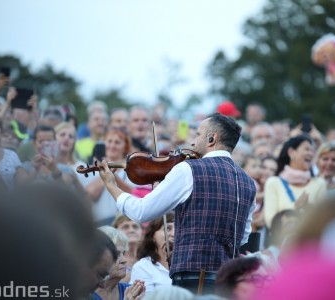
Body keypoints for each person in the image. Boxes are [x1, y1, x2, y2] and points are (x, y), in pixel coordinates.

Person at [98, 113, 256, 294]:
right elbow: (242, 237)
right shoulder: (248, 182)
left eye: (197, 135)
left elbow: (141, 212)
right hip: (228, 280)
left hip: (192, 277)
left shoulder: (188, 169)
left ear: (212, 138)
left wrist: (111, 186)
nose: (193, 142)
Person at [263, 135, 326, 228]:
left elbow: (323, 221)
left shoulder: (319, 183)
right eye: (307, 149)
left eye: (313, 150)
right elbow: (270, 221)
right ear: (292, 152)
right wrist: (295, 207)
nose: (311, 154)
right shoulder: (273, 182)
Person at [82, 127, 134, 226]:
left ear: (125, 146)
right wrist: (105, 169)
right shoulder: (95, 169)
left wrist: (112, 174)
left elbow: (133, 193)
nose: (112, 145)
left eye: (117, 142)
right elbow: (89, 195)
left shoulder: (130, 169)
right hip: (100, 223)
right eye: (109, 141)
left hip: (123, 223)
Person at [130, 213, 175, 293]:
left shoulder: (189, 264)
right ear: (153, 236)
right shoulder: (143, 267)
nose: (174, 234)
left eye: (178, 229)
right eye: (167, 229)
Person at [93, 226, 133, 300]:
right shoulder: (82, 294)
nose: (124, 260)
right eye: (116, 255)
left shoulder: (130, 291)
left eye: (123, 253)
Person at [112, 214, 144, 283]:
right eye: (125, 227)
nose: (131, 230)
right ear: (115, 232)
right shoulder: (112, 260)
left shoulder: (150, 257)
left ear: (142, 232)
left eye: (135, 227)